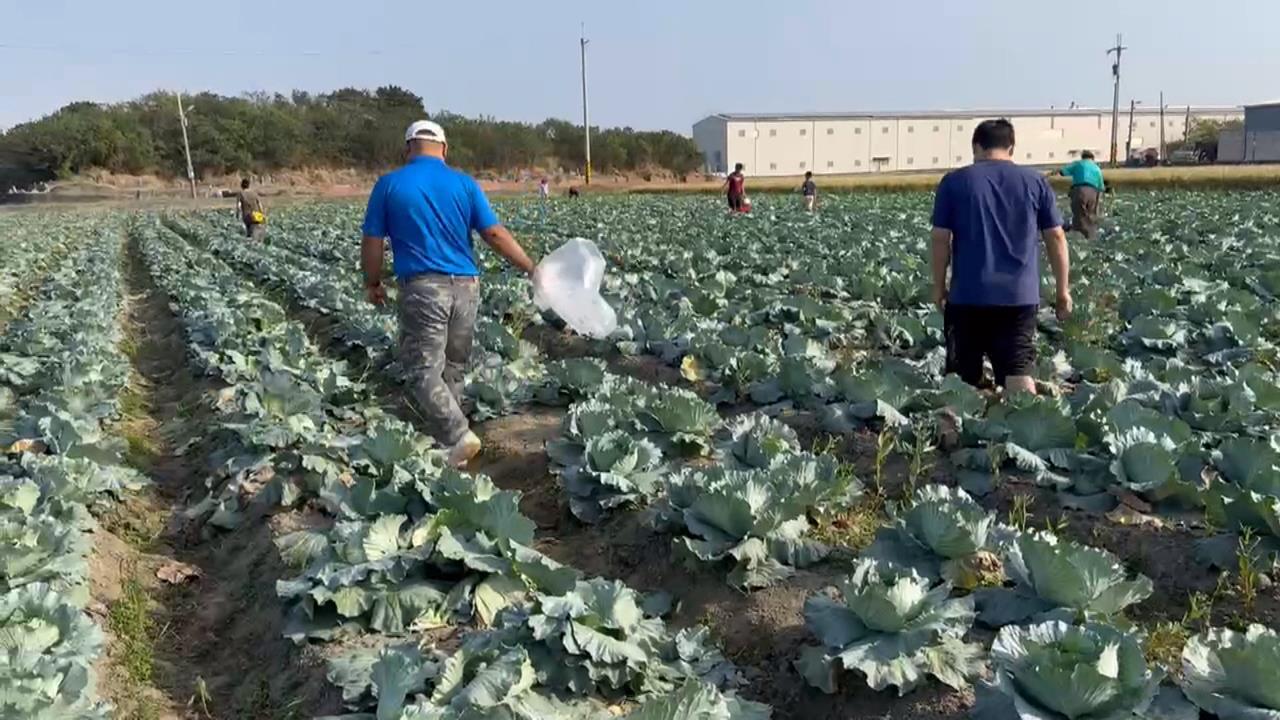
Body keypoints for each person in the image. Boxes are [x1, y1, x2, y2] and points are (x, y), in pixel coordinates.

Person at [361, 120, 539, 467]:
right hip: (467, 287)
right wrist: (531, 267)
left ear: (408, 147)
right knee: (453, 367)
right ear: (445, 148)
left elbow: (373, 241)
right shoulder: (464, 183)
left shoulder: (389, 185)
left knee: (422, 370)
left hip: (424, 288)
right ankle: (453, 448)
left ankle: (458, 434)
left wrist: (373, 282)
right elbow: (494, 234)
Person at [930, 118, 1071, 395]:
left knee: (962, 380)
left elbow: (939, 238)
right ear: (1011, 147)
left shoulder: (954, 182)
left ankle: (963, 422)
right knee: (1018, 371)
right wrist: (1062, 290)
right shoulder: (1035, 182)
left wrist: (938, 286)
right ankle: (1022, 418)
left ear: (976, 146)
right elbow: (1056, 236)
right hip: (1018, 296)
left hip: (968, 295)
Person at [1053, 150, 1105, 239]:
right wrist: (1097, 205)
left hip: (1079, 191)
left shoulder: (1078, 164)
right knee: (1090, 216)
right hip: (1093, 193)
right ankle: (1090, 236)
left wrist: (1055, 171)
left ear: (1083, 157)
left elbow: (1063, 172)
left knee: (1078, 215)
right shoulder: (1097, 168)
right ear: (1092, 159)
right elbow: (1101, 188)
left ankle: (1075, 234)